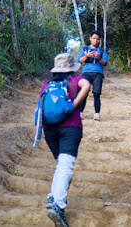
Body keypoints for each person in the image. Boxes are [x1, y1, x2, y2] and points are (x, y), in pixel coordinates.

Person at [39, 53, 90, 227]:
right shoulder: (76, 80)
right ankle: (58, 207)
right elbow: (87, 84)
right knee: (65, 165)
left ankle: (53, 196)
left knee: (60, 164)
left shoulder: (47, 85)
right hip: (71, 128)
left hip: (49, 130)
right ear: (71, 68)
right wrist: (74, 104)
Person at [77, 30, 108, 121]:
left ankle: (97, 114)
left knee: (96, 93)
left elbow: (105, 63)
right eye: (94, 38)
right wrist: (86, 56)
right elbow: (79, 61)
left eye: (98, 39)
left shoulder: (102, 51)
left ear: (99, 40)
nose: (96, 40)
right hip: (86, 73)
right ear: (90, 39)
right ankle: (80, 113)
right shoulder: (85, 49)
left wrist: (98, 58)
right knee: (84, 93)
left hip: (98, 74)